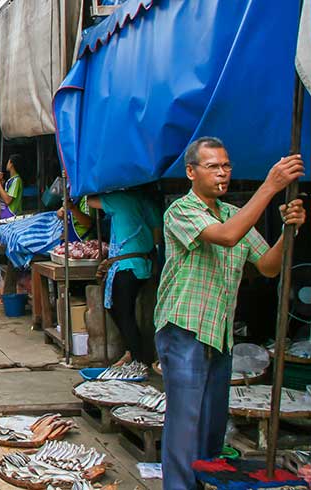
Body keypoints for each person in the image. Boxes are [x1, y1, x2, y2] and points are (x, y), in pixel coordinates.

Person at [153, 137, 305, 490]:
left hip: (219, 332)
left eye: (226, 166)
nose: (222, 173)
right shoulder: (180, 211)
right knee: (184, 423)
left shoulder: (235, 215)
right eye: (213, 166)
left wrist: (288, 230)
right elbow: (225, 237)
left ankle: (204, 482)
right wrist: (270, 187)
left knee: (211, 424)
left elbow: (268, 266)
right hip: (184, 330)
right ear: (191, 172)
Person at [85, 190, 161, 367]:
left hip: (126, 266)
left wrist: (94, 186)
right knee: (123, 311)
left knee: (123, 314)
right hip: (143, 265)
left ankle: (138, 359)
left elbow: (91, 202)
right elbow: (157, 234)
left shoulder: (120, 199)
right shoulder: (147, 201)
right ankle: (132, 352)